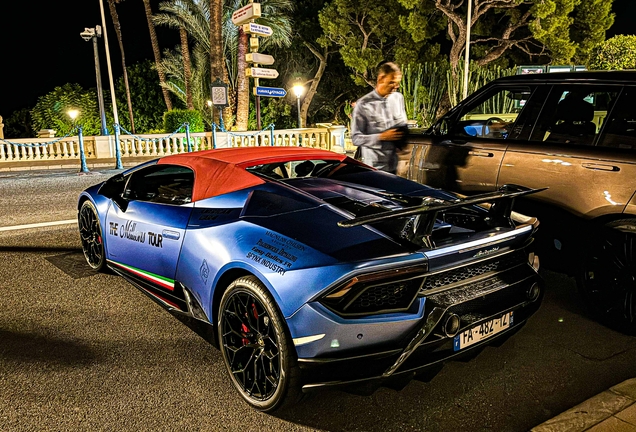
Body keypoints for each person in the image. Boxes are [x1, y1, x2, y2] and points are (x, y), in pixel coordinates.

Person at [351, 62, 408, 174]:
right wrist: (381, 137)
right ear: (381, 78)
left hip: (395, 166)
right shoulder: (363, 105)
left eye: (397, 83)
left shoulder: (398, 98)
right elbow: (356, 138)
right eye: (392, 82)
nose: (395, 86)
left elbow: (402, 125)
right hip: (375, 169)